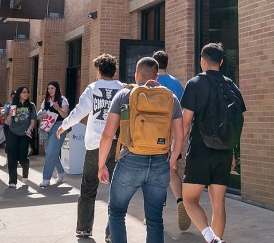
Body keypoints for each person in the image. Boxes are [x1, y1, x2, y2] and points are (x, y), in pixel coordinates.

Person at [98, 56, 183, 243]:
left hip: (131, 158)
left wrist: (101, 164)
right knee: (154, 219)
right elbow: (180, 134)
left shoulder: (124, 94)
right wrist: (172, 160)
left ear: (136, 74)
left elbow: (107, 135)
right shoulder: (170, 98)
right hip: (160, 161)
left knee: (117, 212)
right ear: (156, 76)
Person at [180, 43, 246, 243]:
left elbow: (184, 123)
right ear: (222, 62)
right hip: (225, 151)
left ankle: (210, 238)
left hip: (200, 150)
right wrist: (234, 152)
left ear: (202, 60)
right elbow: (238, 122)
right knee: (219, 205)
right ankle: (216, 239)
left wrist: (174, 153)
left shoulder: (195, 83)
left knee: (189, 200)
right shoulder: (231, 85)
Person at [57, 54, 125, 238]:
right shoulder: (124, 89)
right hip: (118, 145)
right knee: (116, 190)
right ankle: (113, 233)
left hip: (96, 145)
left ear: (99, 71)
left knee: (88, 187)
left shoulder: (93, 88)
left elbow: (79, 112)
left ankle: (84, 228)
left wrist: (64, 126)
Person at [152, 49, 188, 229]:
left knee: (153, 175)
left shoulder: (151, 82)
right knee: (172, 171)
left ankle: (154, 214)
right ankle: (181, 201)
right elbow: (182, 113)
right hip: (173, 135)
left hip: (153, 135)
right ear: (168, 63)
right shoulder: (176, 83)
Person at [38, 81, 69, 187]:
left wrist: (58, 108)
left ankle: (46, 178)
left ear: (57, 89)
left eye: (52, 88)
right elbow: (40, 112)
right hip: (47, 127)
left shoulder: (62, 100)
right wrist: (42, 115)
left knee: (51, 152)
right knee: (49, 151)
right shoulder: (45, 101)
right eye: (49, 88)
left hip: (59, 126)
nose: (50, 90)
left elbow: (65, 115)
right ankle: (60, 172)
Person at [3, 87, 36, 188]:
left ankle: (25, 172)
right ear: (19, 94)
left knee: (23, 157)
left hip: (25, 134)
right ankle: (12, 181)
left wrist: (30, 129)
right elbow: (7, 122)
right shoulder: (13, 105)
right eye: (24, 92)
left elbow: (33, 120)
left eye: (27, 92)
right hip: (13, 132)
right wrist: (9, 115)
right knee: (12, 157)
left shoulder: (30, 106)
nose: (26, 94)